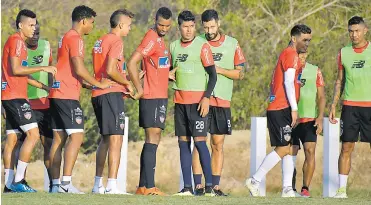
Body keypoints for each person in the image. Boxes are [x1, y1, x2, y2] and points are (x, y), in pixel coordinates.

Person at [48, 5, 112, 194]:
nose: (92, 26)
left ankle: (54, 186)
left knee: (59, 139)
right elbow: (78, 67)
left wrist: (85, 84)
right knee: (77, 136)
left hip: (57, 93)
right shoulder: (76, 38)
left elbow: (67, 69)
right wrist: (98, 84)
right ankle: (66, 185)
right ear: (83, 21)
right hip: (66, 95)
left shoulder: (65, 37)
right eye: (92, 22)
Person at [245, 24, 312, 197]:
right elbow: (288, 82)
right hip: (281, 108)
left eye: (309, 40)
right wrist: (294, 109)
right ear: (294, 38)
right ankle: (255, 180)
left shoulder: (291, 55)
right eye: (304, 40)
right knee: (283, 148)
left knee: (289, 147)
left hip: (282, 106)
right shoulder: (290, 54)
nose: (307, 43)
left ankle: (287, 189)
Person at [191, 9, 246, 196]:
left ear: (219, 23)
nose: (209, 30)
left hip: (222, 99)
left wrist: (219, 70)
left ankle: (214, 186)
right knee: (199, 142)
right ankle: (198, 186)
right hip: (199, 99)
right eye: (206, 27)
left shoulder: (232, 43)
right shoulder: (197, 41)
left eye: (212, 26)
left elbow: (241, 73)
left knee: (217, 143)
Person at [1, 9, 57, 193]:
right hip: (16, 97)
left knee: (11, 140)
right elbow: (17, 70)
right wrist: (45, 67)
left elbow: (17, 74)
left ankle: (8, 185)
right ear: (20, 25)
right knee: (33, 135)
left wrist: (43, 86)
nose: (34, 29)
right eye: (31, 25)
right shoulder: (17, 41)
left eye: (35, 25)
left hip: (10, 96)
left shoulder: (19, 44)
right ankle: (18, 181)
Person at [170, 10, 217, 196]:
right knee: (183, 143)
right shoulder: (173, 46)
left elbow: (213, 75)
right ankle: (187, 188)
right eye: (185, 27)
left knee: (200, 143)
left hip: (198, 103)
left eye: (191, 27)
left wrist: (206, 97)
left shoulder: (202, 46)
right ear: (179, 27)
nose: (189, 30)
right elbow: (170, 70)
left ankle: (210, 186)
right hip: (180, 102)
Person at [127, 7, 173, 196]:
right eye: (161, 24)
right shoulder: (151, 37)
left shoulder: (161, 41)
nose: (164, 28)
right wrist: (139, 88)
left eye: (167, 25)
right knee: (152, 138)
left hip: (160, 95)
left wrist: (167, 75)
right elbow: (132, 62)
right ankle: (150, 187)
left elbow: (156, 66)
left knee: (153, 139)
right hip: (151, 96)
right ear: (155, 20)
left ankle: (143, 187)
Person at [91, 9, 134, 195]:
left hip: (98, 94)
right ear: (121, 25)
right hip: (110, 94)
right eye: (129, 25)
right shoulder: (116, 41)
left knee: (106, 139)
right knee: (116, 138)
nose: (130, 29)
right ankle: (112, 185)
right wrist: (127, 83)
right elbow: (110, 69)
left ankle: (97, 185)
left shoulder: (100, 40)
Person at [329, 16, 370, 199]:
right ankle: (342, 190)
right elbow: (339, 81)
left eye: (357, 31)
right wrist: (333, 104)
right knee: (346, 147)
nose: (354, 35)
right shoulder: (343, 53)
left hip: (369, 106)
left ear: (365, 30)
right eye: (351, 31)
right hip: (350, 106)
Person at [287, 52, 326, 198]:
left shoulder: (315, 70)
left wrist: (320, 117)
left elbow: (321, 96)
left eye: (303, 55)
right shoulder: (288, 70)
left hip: (309, 120)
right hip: (292, 119)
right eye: (298, 55)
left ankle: (305, 188)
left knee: (310, 151)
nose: (301, 58)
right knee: (291, 153)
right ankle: (290, 188)